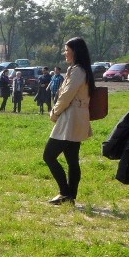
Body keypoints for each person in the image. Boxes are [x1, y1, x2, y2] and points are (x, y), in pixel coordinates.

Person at [44, 37, 96, 205]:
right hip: (76, 118)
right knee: (72, 160)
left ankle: (65, 193)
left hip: (71, 118)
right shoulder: (79, 70)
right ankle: (70, 196)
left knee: (49, 156)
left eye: (67, 50)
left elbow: (66, 96)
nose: (65, 53)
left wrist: (55, 112)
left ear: (75, 51)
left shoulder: (78, 71)